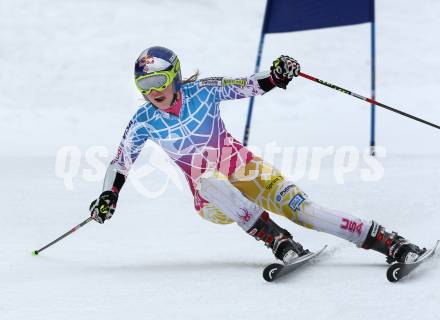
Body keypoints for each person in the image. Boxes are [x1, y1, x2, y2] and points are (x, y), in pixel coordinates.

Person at [89, 46, 424, 264]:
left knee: (304, 210)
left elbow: (247, 84)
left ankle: (385, 241)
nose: (153, 91)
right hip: (213, 202)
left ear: (174, 76)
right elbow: (121, 162)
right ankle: (274, 237)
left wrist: (277, 76)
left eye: (159, 80)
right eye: (143, 86)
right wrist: (108, 196)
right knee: (207, 180)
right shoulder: (143, 121)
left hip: (246, 170)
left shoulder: (202, 91)